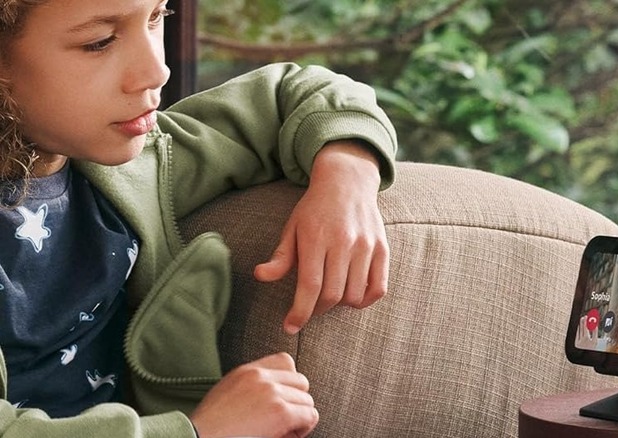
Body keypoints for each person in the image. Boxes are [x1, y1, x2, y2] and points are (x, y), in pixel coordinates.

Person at [0, 0, 397, 437]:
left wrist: (347, 177)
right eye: (100, 42)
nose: (156, 71)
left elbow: (300, 91)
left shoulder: (141, 162)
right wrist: (201, 430)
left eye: (157, 18)